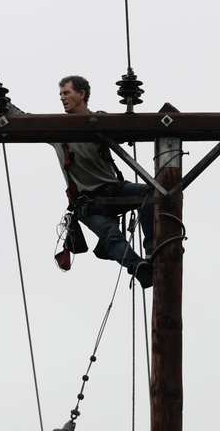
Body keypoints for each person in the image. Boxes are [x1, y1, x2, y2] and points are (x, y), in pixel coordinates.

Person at [54, 75, 154, 289]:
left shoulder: (99, 121)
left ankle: (153, 249)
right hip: (88, 204)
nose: (62, 98)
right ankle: (139, 267)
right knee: (111, 235)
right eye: (61, 94)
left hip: (113, 190)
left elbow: (126, 128)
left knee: (152, 192)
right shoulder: (57, 130)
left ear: (81, 94)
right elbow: (24, 117)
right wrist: (3, 106)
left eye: (66, 93)